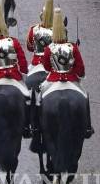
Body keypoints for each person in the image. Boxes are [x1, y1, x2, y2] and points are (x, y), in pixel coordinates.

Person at [40, 8, 93, 137]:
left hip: (52, 80)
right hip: (71, 80)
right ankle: (87, 127)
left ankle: (39, 126)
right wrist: (79, 76)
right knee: (85, 96)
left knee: (41, 97)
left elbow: (46, 67)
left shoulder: (49, 48)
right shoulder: (72, 47)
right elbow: (80, 68)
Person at [0, 4, 30, 134]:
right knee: (27, 98)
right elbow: (23, 63)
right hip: (14, 76)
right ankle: (27, 125)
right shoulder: (13, 42)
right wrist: (23, 74)